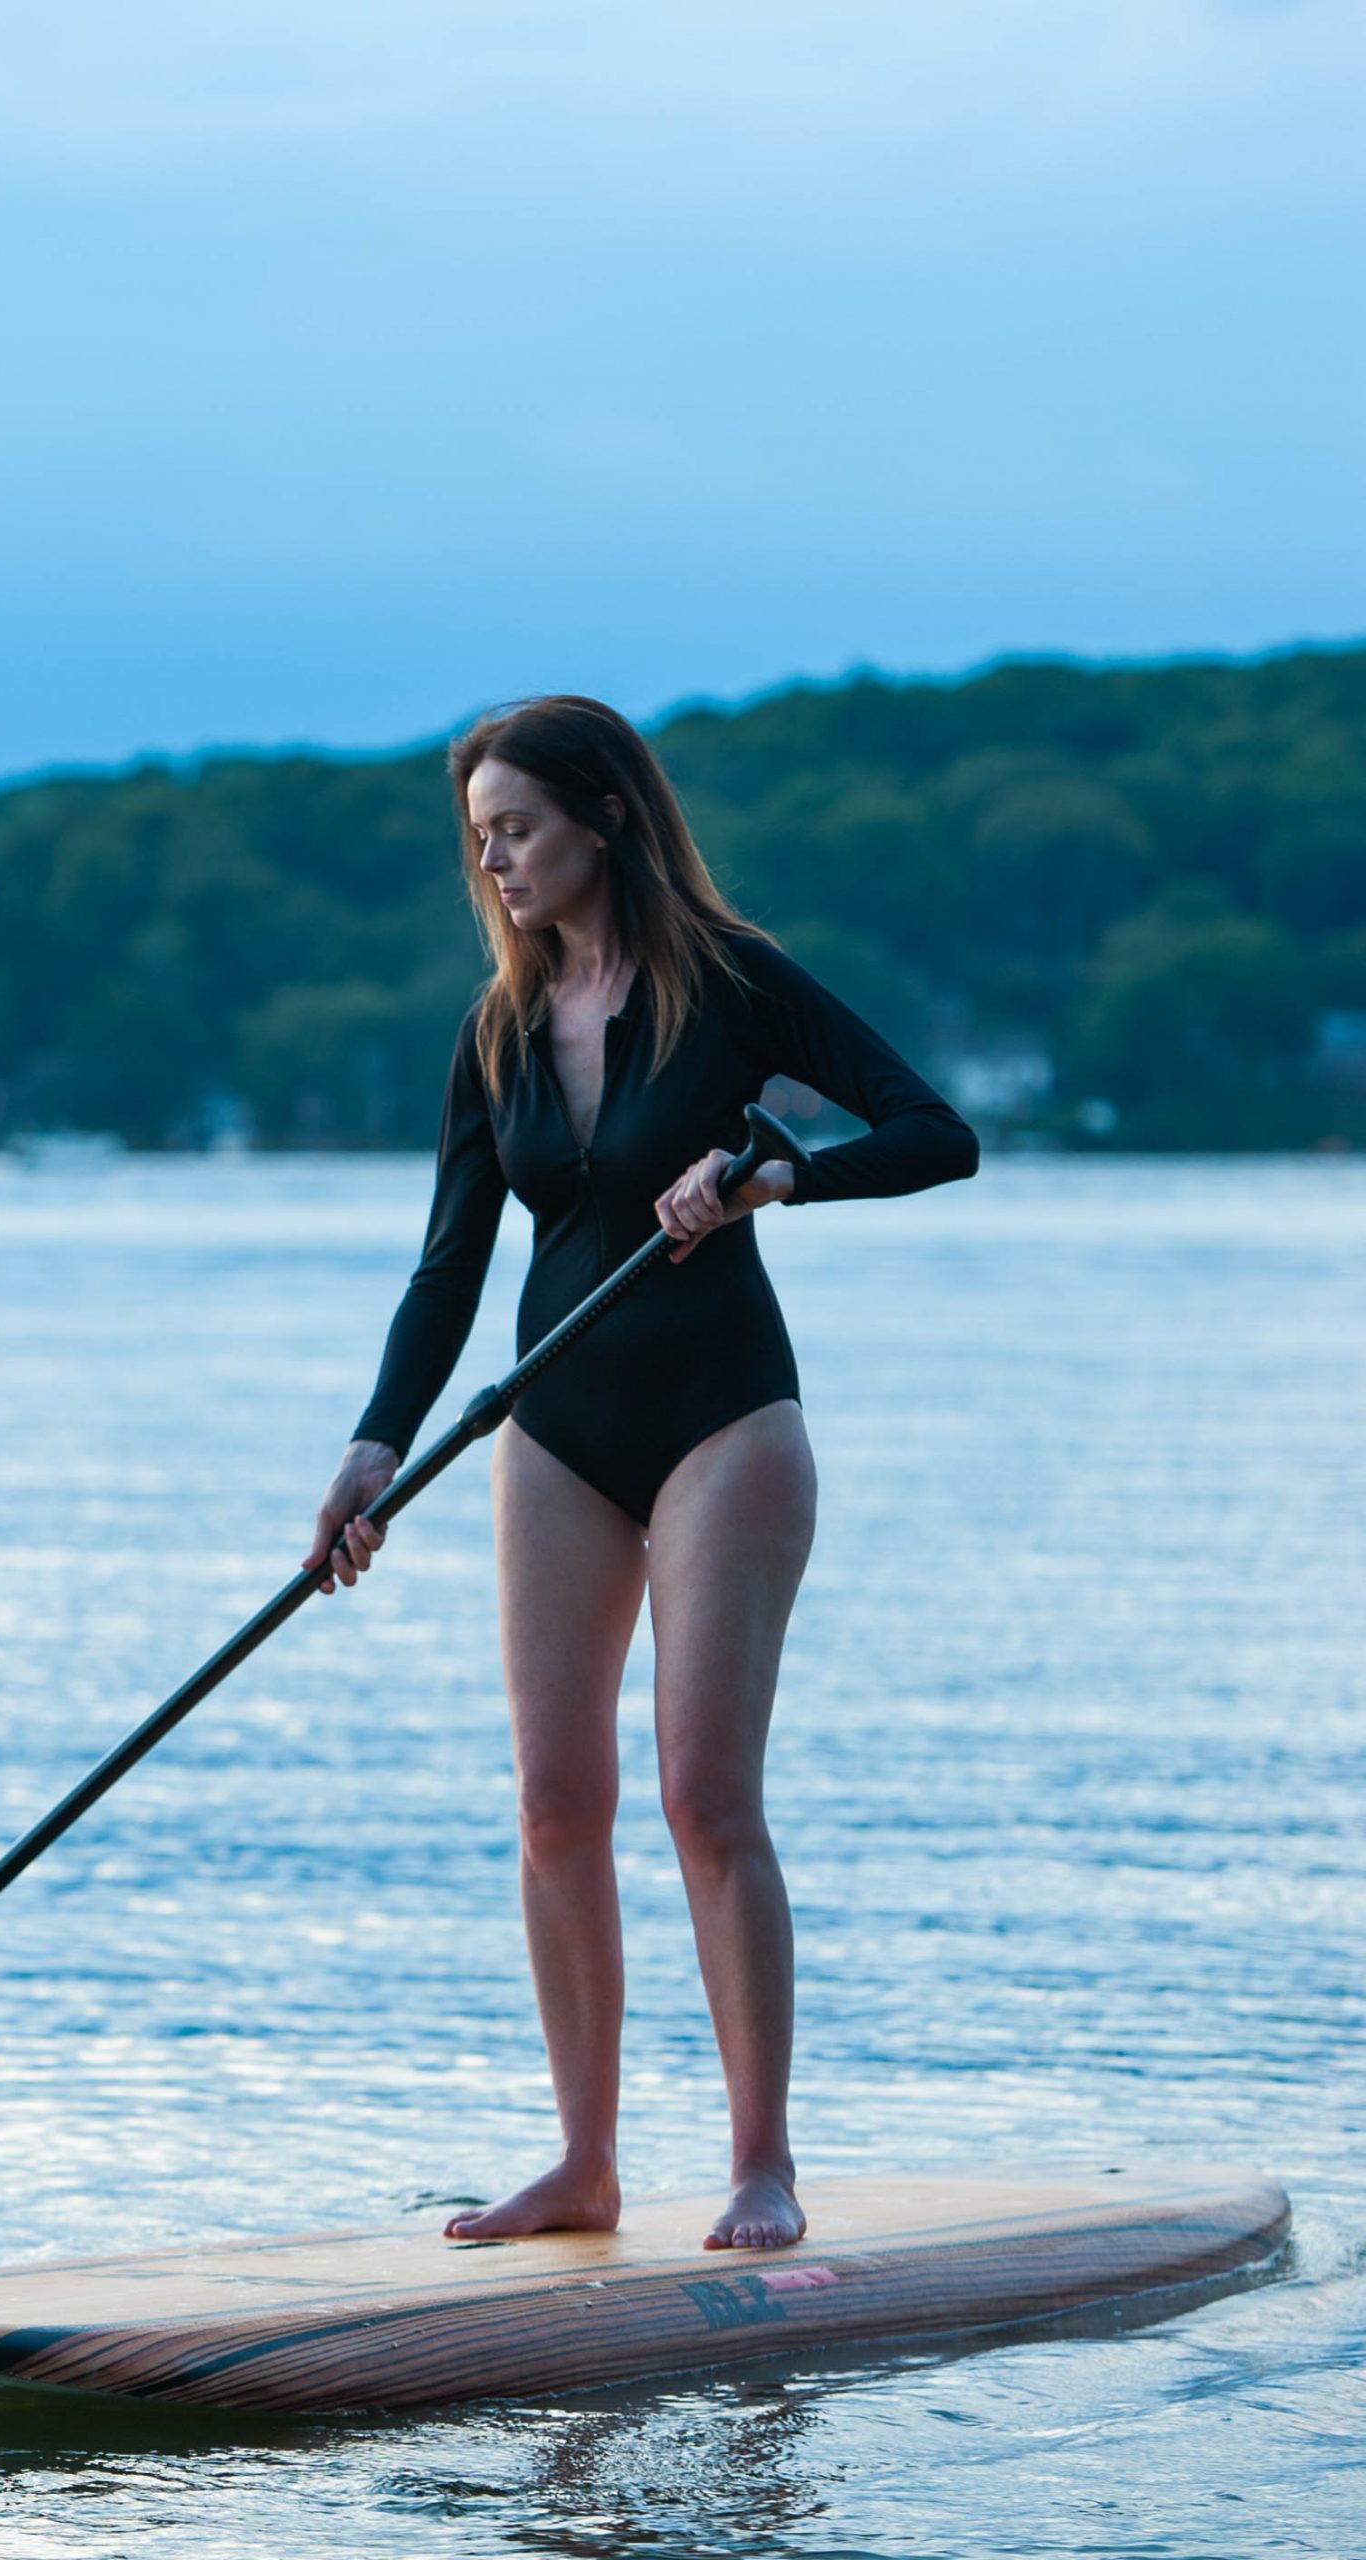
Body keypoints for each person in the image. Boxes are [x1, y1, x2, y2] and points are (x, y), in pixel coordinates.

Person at [309, 697, 977, 2253]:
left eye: (518, 828)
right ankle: (583, 2165)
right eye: (478, 838)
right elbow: (445, 1272)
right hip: (553, 1430)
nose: (495, 861)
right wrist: (372, 1448)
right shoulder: (494, 1034)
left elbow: (937, 1132)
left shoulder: (732, 986)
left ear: (605, 817)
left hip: (724, 1424)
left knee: (703, 1799)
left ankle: (760, 2165)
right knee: (553, 1801)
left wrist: (774, 1176)